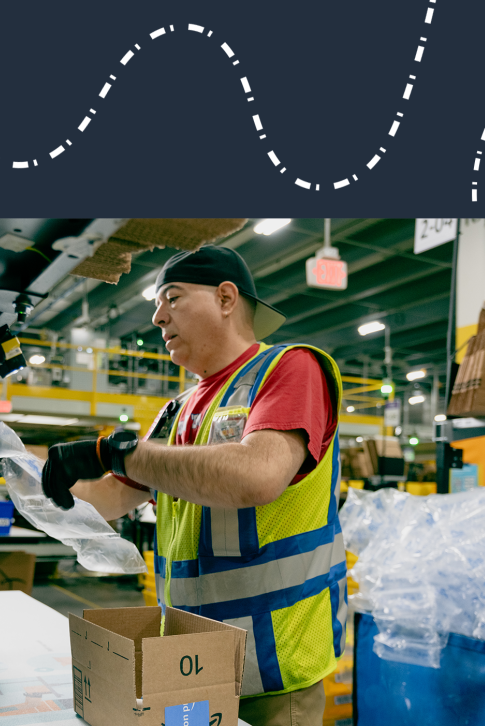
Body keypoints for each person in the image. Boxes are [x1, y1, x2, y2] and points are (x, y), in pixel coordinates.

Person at [39, 246, 347, 726]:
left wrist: (115, 452)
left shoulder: (289, 369)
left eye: (172, 297)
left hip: (270, 671)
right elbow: (110, 498)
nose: (159, 317)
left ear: (226, 298)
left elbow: (257, 476)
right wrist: (12, 467)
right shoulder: (178, 410)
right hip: (192, 665)